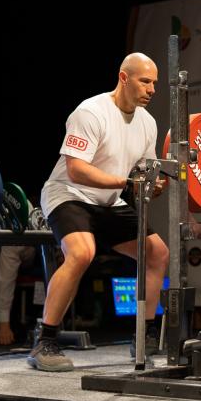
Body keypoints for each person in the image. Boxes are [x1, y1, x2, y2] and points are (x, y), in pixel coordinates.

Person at [30, 53, 169, 372]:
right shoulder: (91, 112)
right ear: (124, 78)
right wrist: (126, 182)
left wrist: (150, 187)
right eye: (144, 81)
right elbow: (76, 170)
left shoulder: (147, 123)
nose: (151, 89)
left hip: (108, 201)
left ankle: (144, 336)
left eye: (154, 83)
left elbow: (141, 176)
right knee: (82, 252)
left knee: (158, 254)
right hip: (68, 194)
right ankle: (45, 341)